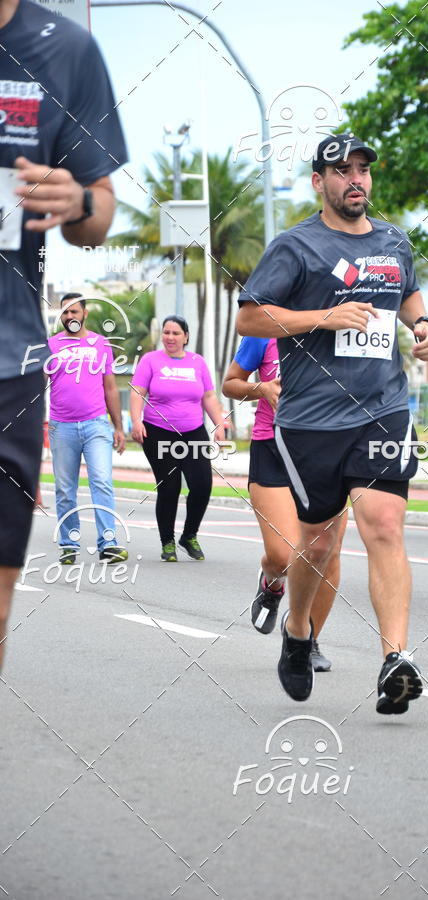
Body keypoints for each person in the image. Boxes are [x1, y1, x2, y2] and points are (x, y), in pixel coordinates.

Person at [236, 134, 428, 714]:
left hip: (383, 408)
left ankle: (394, 661)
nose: (356, 180)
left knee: (384, 524)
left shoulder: (392, 240)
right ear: (318, 182)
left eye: (363, 170)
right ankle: (297, 633)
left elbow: (409, 296)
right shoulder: (295, 245)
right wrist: (323, 316)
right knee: (320, 540)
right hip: (311, 419)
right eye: (341, 171)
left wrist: (422, 327)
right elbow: (252, 318)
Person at [0, 0, 127, 668]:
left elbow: (101, 208)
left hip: (9, 360)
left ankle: (94, 537)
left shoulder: (66, 50)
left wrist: (76, 201)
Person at [222, 336, 347, 672]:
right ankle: (271, 582)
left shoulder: (339, 332)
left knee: (328, 552)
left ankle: (306, 641)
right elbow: (230, 384)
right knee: (283, 555)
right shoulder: (262, 331)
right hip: (272, 447)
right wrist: (262, 389)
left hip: (327, 449)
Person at [130, 316, 227, 562]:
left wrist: (219, 424)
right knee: (170, 486)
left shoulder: (198, 362)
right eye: (166, 332)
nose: (170, 337)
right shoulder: (150, 360)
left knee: (202, 485)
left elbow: (208, 397)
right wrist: (136, 420)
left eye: (175, 333)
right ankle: (168, 542)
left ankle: (189, 535)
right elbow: (137, 392)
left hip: (193, 431)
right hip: (158, 430)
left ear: (186, 336)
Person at [47, 294, 128, 564]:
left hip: (96, 425)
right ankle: (68, 544)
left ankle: (108, 543)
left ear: (84, 314)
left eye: (74, 312)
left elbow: (110, 388)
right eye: (65, 312)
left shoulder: (100, 343)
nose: (70, 316)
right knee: (64, 488)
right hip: (62, 427)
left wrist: (118, 427)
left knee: (102, 482)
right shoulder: (51, 345)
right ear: (61, 316)